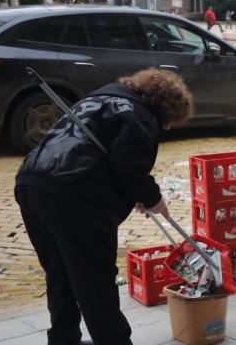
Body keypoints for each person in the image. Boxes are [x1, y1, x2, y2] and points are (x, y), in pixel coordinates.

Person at [14, 69, 194, 344]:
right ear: (165, 109)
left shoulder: (98, 100)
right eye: (170, 123)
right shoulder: (139, 115)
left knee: (59, 272)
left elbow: (102, 156)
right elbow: (130, 169)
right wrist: (152, 197)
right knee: (95, 280)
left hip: (32, 184)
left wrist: (136, 194)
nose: (167, 128)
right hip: (74, 198)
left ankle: (63, 339)